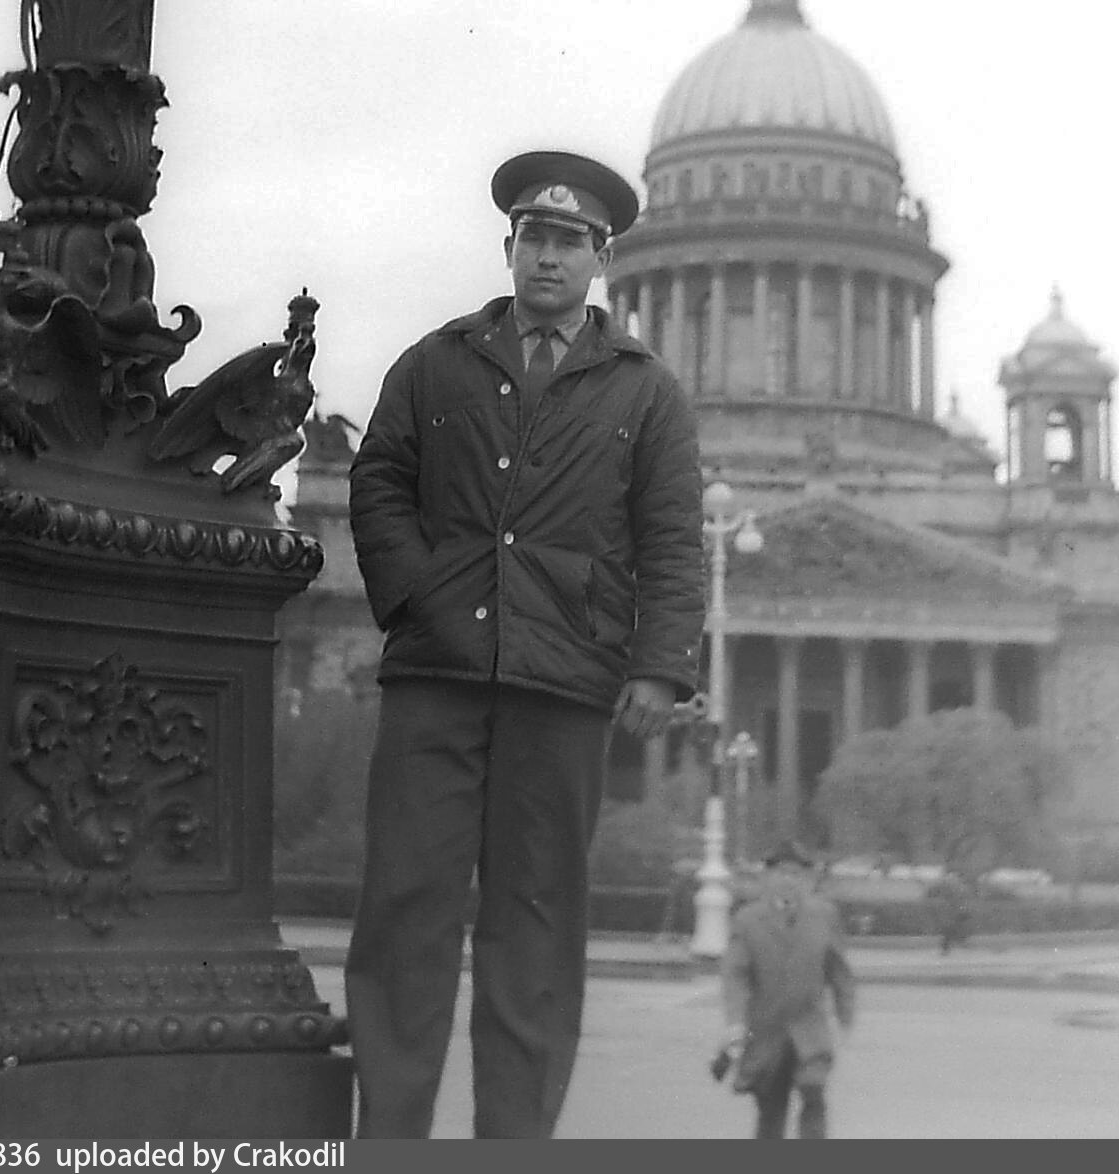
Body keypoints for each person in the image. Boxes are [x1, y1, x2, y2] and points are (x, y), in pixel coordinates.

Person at [345, 148, 706, 1139]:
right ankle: (390, 1137)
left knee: (535, 926)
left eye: (571, 241)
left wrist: (658, 665)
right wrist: (415, 593)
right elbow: (377, 481)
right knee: (404, 908)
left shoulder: (647, 392)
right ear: (510, 247)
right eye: (535, 237)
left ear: (602, 259)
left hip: (565, 682)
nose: (550, 257)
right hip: (440, 672)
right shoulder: (436, 362)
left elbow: (674, 540)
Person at [713, 840, 857, 1140]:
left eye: (795, 874)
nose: (788, 880)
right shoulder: (748, 920)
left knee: (813, 1094)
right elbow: (736, 975)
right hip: (767, 1030)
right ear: (767, 877)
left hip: (810, 1027)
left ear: (805, 879)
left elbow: (840, 971)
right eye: (781, 873)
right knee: (771, 1111)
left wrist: (846, 1018)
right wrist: (735, 1023)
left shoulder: (824, 916)